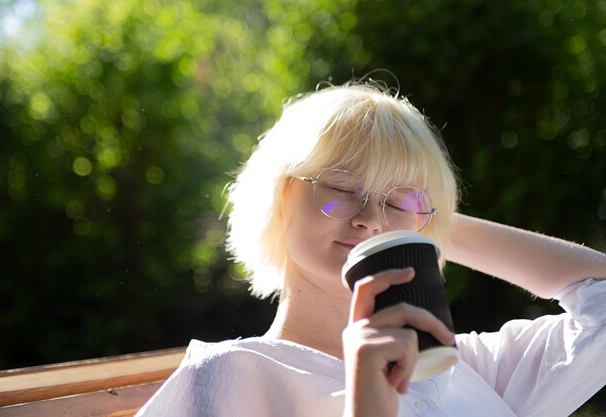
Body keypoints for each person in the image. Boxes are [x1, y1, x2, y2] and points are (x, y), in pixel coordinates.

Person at [136, 81, 606, 417]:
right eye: (340, 188)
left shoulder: (467, 365)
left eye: (400, 200)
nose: (369, 218)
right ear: (278, 197)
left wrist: (430, 224)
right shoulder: (231, 374)